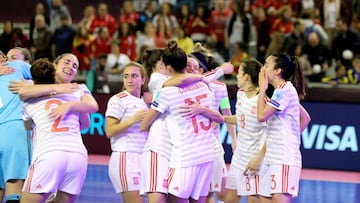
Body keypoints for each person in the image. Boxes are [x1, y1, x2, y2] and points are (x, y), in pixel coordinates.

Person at [140, 41, 224, 203]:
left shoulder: (167, 91)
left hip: (183, 157)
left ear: (168, 67)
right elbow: (220, 118)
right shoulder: (203, 85)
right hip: (206, 154)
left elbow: (144, 125)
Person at [18, 56, 98, 203]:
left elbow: (23, 98)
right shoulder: (77, 91)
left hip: (49, 153)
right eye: (67, 62)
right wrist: (70, 101)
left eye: (75, 65)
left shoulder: (32, 95)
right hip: (77, 156)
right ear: (54, 66)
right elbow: (86, 123)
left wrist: (69, 106)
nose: (71, 66)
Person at [257, 53, 311, 203]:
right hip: (271, 157)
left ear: (277, 71)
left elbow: (261, 116)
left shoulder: (284, 90)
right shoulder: (282, 91)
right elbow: (306, 118)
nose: (263, 68)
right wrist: (292, 134)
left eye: (266, 65)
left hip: (283, 157)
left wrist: (262, 88)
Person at [223, 60, 271, 203]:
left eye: (239, 72)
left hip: (254, 160)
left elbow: (273, 133)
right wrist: (221, 118)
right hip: (239, 157)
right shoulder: (241, 94)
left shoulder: (262, 101)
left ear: (246, 77)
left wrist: (258, 158)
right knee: (229, 200)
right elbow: (241, 118)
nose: (236, 76)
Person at [105, 62, 149, 203]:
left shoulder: (146, 101)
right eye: (126, 76)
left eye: (134, 76)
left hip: (144, 157)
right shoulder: (118, 100)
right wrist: (132, 120)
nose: (129, 80)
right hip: (126, 158)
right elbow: (110, 131)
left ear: (143, 80)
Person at [0, 47, 32, 203]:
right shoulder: (17, 66)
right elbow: (51, 74)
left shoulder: (17, 67)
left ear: (27, 61)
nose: (8, 59)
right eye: (6, 56)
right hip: (13, 128)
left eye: (12, 56)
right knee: (15, 186)